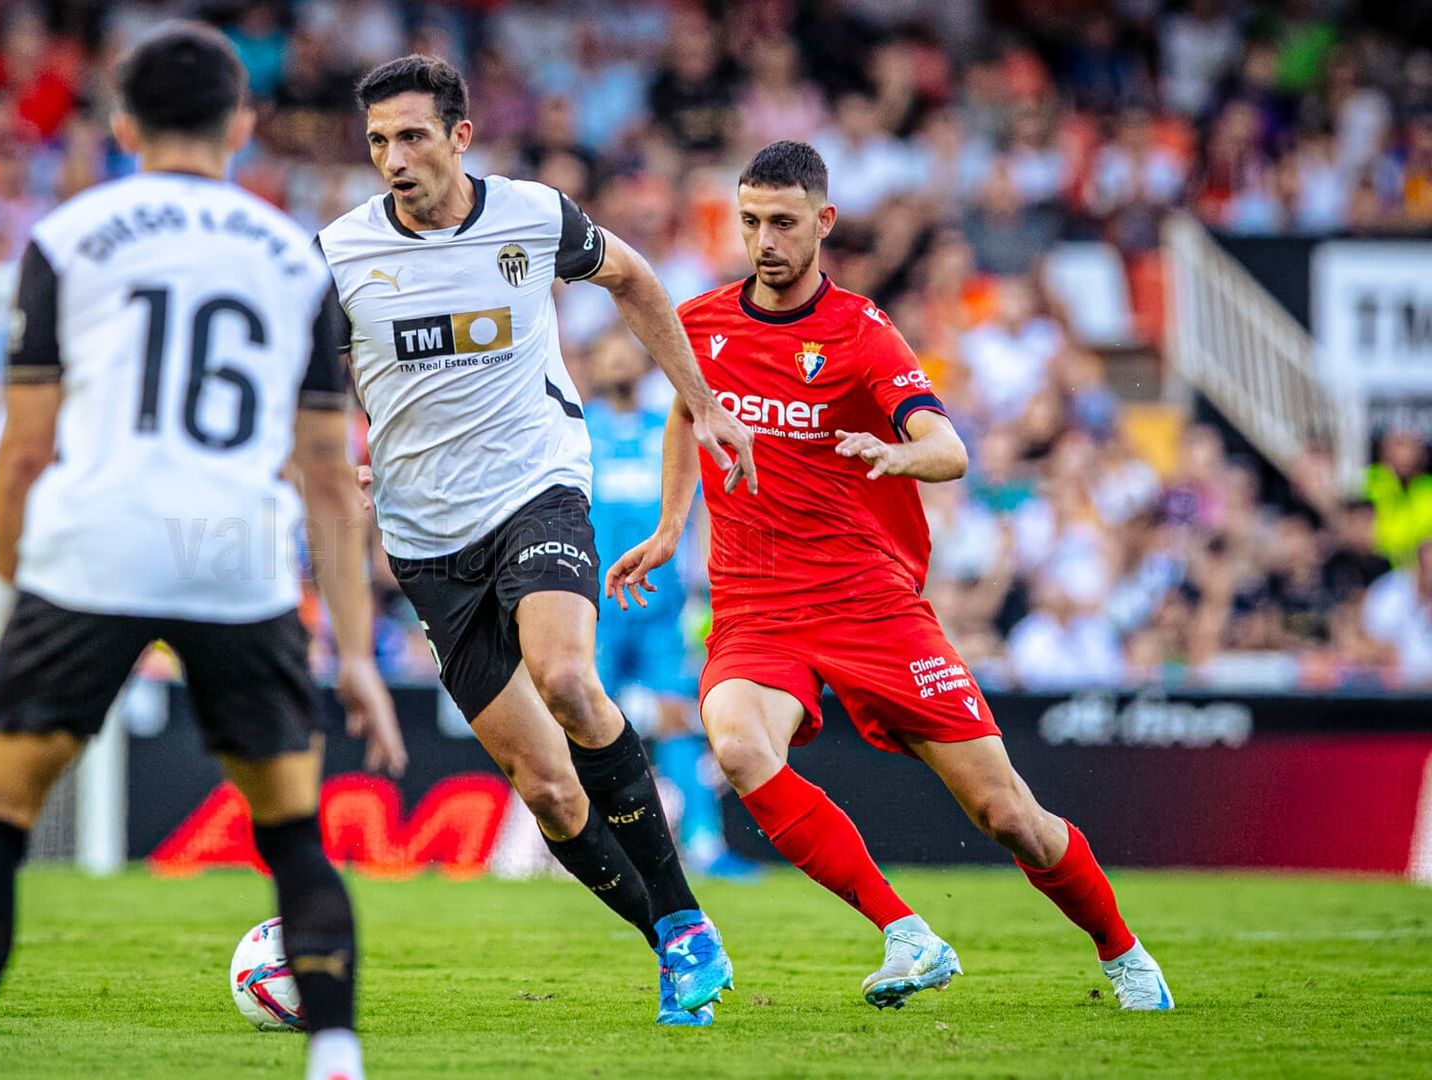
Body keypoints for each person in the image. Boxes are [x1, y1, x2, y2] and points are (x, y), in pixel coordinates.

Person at [0, 25, 407, 1080]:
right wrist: (358, 655)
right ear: (243, 125)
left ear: (123, 125)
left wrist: (3, 614)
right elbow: (330, 475)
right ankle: (335, 1056)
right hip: (231, 555)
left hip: (92, 552)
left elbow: (24, 454)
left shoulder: (68, 237)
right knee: (290, 833)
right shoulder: (294, 255)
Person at [607, 141, 1173, 1012]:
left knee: (1008, 815)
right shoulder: (704, 322)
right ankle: (907, 932)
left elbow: (950, 449)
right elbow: (691, 413)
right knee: (737, 743)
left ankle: (1123, 951)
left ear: (823, 223)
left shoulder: (863, 334)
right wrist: (670, 525)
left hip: (870, 604)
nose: (764, 240)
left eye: (783, 223)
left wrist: (896, 452)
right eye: (751, 220)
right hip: (755, 605)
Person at [317, 55, 755, 1025]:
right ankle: (671, 942)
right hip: (425, 537)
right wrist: (331, 455)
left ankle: (683, 917)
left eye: (414, 136)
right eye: (379, 139)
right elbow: (301, 383)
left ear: (460, 136)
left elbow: (636, 283)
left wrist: (703, 401)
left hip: (538, 487)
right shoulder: (338, 253)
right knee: (547, 789)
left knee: (565, 677)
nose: (394, 157)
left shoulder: (532, 216)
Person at [585, 330, 757, 881]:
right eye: (607, 353)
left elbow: (704, 509)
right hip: (598, 603)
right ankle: (585, 846)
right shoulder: (579, 428)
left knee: (681, 722)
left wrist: (710, 585)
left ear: (641, 363)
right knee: (584, 722)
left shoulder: (671, 425)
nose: (616, 361)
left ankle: (705, 843)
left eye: (624, 352)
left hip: (662, 606)